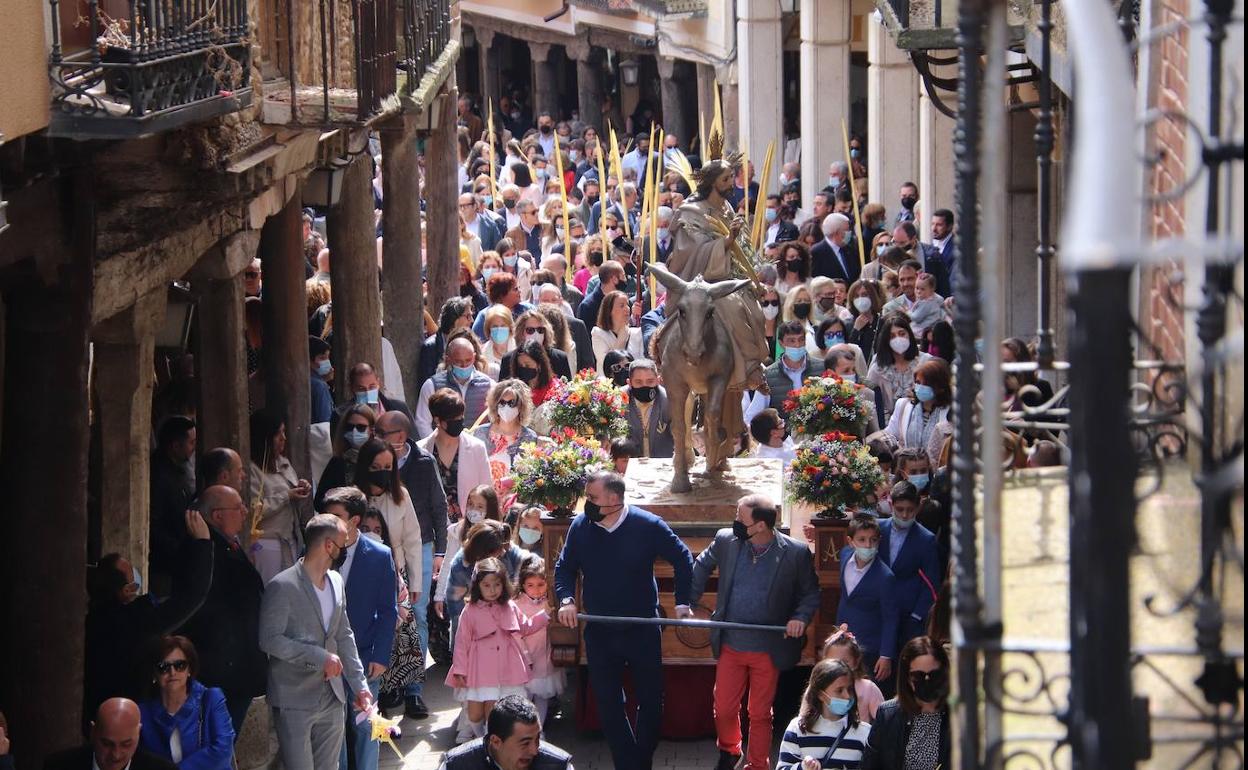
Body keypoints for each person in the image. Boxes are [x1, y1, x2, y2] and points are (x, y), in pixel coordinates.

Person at [555, 471, 695, 770]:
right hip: (600, 630)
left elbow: (683, 557)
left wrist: (682, 603)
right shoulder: (580, 526)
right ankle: (626, 764)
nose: (586, 504)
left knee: (650, 700)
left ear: (613, 499)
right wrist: (566, 600)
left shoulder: (648, 525)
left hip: (642, 628)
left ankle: (640, 762)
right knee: (607, 703)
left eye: (592, 498)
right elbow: (564, 567)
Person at [690, 494, 820, 770]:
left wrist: (799, 618)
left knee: (760, 713)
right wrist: (687, 603)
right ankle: (730, 750)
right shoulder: (727, 540)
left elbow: (810, 594)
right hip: (731, 643)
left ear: (760, 525)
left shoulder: (795, 553)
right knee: (724, 707)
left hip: (767, 648)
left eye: (740, 518)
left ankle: (758, 764)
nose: (735, 522)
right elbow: (701, 566)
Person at [259, 515, 373, 770]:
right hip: (293, 699)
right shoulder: (281, 586)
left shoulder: (336, 581)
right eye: (345, 542)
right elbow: (269, 640)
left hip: (332, 697)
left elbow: (344, 635)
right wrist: (318, 656)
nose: (348, 548)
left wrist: (360, 686)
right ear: (329, 546)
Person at [84, 514, 213, 726]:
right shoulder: (132, 621)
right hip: (125, 713)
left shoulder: (94, 619)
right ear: (126, 591)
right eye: (131, 576)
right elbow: (190, 597)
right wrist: (202, 544)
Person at [666, 153, 770, 390]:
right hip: (698, 281)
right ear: (712, 182)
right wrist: (726, 240)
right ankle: (750, 365)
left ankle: (753, 363)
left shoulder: (726, 207)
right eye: (726, 179)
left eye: (732, 177)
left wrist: (751, 278)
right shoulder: (692, 211)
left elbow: (739, 250)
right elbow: (692, 250)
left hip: (727, 276)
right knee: (731, 308)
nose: (731, 183)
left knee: (754, 310)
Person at [376, 409, 449, 719]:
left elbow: (438, 506)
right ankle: (387, 684)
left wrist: (440, 551)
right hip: (384, 549)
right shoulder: (374, 465)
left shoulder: (422, 462)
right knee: (388, 615)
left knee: (416, 615)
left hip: (420, 545)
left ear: (401, 437)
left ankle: (414, 689)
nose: (378, 440)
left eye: (384, 435)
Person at [179, 485, 267, 735]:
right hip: (222, 665)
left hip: (240, 662)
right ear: (217, 515)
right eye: (238, 507)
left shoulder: (228, 544)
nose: (245, 511)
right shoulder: (203, 548)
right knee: (217, 739)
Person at [321, 487, 398, 770]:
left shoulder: (379, 555)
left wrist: (381, 655)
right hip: (326, 656)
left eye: (335, 515)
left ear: (354, 520)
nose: (328, 520)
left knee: (366, 727)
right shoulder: (316, 550)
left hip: (364, 655)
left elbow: (388, 609)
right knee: (333, 729)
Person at [446, 557, 549, 740]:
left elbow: (525, 626)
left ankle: (488, 744)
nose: (493, 590)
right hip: (479, 668)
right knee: (474, 714)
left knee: (493, 713)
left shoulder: (509, 606)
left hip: (508, 666)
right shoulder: (470, 610)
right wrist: (460, 669)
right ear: (478, 585)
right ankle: (481, 738)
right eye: (487, 585)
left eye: (497, 585)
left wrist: (544, 616)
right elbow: (462, 642)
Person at [137, 637, 234, 768]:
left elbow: (223, 751)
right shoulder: (142, 713)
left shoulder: (211, 698)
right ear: (154, 674)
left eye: (180, 665)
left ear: (189, 670)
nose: (172, 672)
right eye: (163, 667)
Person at [860, 637, 951, 770]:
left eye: (934, 674)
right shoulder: (888, 715)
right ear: (907, 678)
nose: (927, 681)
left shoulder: (959, 717)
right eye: (918, 676)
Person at [247, 409, 310, 583]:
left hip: (290, 539)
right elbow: (253, 509)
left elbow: (291, 493)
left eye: (284, 432)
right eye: (278, 434)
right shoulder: (252, 470)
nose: (284, 438)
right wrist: (286, 496)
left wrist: (301, 488)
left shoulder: (283, 463)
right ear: (265, 438)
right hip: (267, 543)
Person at [419, 388, 494, 533]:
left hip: (470, 530)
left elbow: (487, 492)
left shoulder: (476, 448)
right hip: (434, 532)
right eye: (453, 420)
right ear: (437, 420)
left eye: (461, 418)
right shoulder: (421, 450)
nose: (458, 423)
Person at [836, 516, 898, 690]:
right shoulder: (844, 555)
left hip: (869, 648)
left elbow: (890, 618)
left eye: (873, 540)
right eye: (862, 540)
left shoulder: (885, 577)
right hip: (842, 641)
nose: (868, 545)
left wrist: (886, 655)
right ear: (851, 541)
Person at [354, 438, 422, 596]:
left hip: (396, 572)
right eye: (375, 467)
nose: (382, 472)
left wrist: (415, 582)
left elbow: (412, 540)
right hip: (360, 573)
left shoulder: (401, 496)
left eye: (387, 467)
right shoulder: (354, 498)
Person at [776, 660, 873, 770]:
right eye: (839, 690)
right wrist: (803, 768)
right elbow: (783, 767)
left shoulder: (865, 732)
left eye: (849, 689)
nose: (847, 696)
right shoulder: (797, 729)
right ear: (821, 695)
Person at [436, 695, 573, 770]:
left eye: (537, 739)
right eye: (525, 743)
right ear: (496, 741)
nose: (535, 750)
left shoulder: (558, 766)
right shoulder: (456, 766)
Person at [45, 698, 177, 770]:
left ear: (138, 734)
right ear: (93, 732)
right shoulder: (58, 766)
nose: (116, 754)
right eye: (107, 744)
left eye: (126, 744)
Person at [149, 416, 197, 593]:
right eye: (191, 443)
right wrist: (178, 549)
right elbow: (154, 523)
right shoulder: (159, 475)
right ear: (176, 446)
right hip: (164, 563)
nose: (193, 449)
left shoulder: (179, 470)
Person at [513, 558, 564, 725]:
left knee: (542, 696)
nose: (536, 590)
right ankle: (525, 729)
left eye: (540, 584)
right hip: (523, 659)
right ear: (522, 584)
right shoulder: (516, 605)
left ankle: (539, 730)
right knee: (525, 698)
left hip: (544, 658)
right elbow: (518, 632)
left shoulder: (550, 603)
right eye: (530, 585)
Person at [415, 337, 495, 438]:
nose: (464, 365)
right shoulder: (431, 385)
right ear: (449, 360)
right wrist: (436, 448)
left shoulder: (489, 385)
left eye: (468, 360)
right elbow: (422, 423)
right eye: (458, 361)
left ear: (474, 357)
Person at [882, 359, 953, 466]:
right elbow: (890, 434)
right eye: (918, 382)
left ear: (940, 388)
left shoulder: (950, 412)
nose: (921, 387)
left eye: (927, 384)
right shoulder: (903, 406)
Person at [866, 314, 933, 421]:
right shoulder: (878, 369)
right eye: (892, 336)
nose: (898, 339)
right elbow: (869, 401)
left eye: (902, 334)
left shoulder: (926, 362)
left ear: (909, 335)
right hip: (889, 425)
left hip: (924, 420)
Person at [473, 379, 539, 483]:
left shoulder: (529, 437)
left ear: (521, 405)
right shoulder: (480, 433)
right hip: (485, 494)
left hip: (514, 496)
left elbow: (528, 476)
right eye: (502, 402)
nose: (506, 407)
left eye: (512, 403)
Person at [314, 403, 377, 509]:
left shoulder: (380, 459)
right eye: (350, 427)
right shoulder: (337, 463)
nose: (354, 431)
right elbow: (319, 502)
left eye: (361, 427)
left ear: (371, 430)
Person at [822, 627, 885, 723]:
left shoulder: (867, 687)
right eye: (833, 662)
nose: (839, 666)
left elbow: (884, 721)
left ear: (856, 662)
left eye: (845, 662)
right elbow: (806, 716)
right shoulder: (819, 686)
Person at [765, 321, 824, 413]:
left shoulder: (822, 368)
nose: (797, 345)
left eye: (801, 339)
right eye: (792, 341)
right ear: (781, 343)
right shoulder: (768, 375)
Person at [500, 309, 573, 380]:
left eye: (540, 330)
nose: (536, 334)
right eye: (530, 330)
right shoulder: (508, 360)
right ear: (521, 332)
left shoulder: (559, 359)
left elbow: (566, 390)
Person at [622, 359, 673, 459]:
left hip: (662, 465)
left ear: (658, 380)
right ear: (629, 383)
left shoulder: (669, 401)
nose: (644, 386)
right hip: (630, 465)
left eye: (650, 381)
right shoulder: (617, 401)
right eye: (638, 382)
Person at [811, 213, 859, 284]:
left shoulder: (850, 250)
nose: (849, 233)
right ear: (837, 233)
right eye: (847, 230)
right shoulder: (816, 252)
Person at [846, 280, 886, 366]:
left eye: (864, 295)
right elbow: (847, 352)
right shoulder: (848, 324)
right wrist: (856, 330)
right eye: (856, 296)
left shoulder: (883, 322)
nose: (860, 299)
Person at [310, 336, 334, 425]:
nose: (327, 362)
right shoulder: (319, 386)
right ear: (309, 360)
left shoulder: (318, 383)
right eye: (322, 358)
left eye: (327, 358)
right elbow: (325, 420)